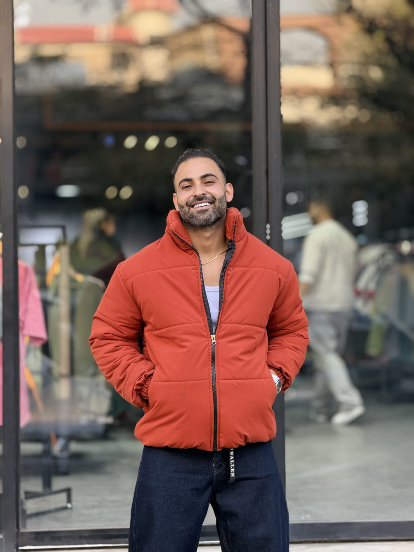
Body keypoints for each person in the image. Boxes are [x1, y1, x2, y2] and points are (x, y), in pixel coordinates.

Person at [89, 149, 309, 552]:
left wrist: (272, 379)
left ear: (227, 190)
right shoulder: (136, 271)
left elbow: (291, 331)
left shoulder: (274, 268)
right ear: (176, 199)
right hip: (170, 452)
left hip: (250, 453)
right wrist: (148, 387)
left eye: (208, 181)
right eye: (186, 185)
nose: (198, 191)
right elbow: (108, 337)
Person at [299, 194, 365, 426]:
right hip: (344, 305)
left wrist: (291, 303)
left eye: (310, 208)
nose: (309, 213)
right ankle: (321, 408)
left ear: (319, 206)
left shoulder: (317, 235)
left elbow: (308, 276)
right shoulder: (347, 238)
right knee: (328, 359)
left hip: (320, 306)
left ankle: (350, 404)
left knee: (327, 357)